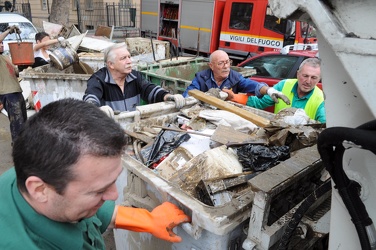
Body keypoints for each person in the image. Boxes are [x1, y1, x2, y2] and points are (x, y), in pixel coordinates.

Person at [0, 98, 190, 248]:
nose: (114, 195)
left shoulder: (33, 168)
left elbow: (97, 212)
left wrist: (148, 220)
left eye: (113, 181)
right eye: (99, 191)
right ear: (39, 190)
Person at [83, 43, 185, 114]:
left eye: (129, 57)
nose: (129, 61)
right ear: (111, 64)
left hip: (132, 126)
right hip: (108, 131)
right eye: (123, 58)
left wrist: (168, 96)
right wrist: (98, 110)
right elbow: (90, 99)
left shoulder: (135, 77)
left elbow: (150, 89)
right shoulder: (98, 80)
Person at [225, 57, 326, 123]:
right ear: (298, 74)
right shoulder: (284, 85)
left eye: (314, 78)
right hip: (278, 136)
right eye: (305, 76)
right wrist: (234, 97)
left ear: (319, 79)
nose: (308, 81)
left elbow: (324, 126)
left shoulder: (321, 99)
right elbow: (259, 102)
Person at [182, 50, 290, 105]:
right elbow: (189, 93)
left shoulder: (235, 78)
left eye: (227, 62)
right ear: (211, 66)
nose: (226, 66)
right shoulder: (201, 77)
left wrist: (269, 90)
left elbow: (253, 86)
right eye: (221, 63)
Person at [0, 25, 27, 143]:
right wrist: (9, 31)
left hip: (16, 91)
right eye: (0, 43)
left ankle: (23, 144)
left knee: (23, 121)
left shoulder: (6, 57)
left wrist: (21, 66)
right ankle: (18, 146)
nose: (2, 44)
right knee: (17, 122)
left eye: (2, 43)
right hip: (7, 93)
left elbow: (15, 72)